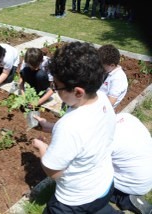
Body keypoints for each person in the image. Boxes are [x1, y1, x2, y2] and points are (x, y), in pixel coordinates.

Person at [32, 42, 121, 213]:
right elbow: (86, 133)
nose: (55, 90)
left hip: (75, 200)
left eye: (56, 86)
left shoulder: (69, 126)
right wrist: (49, 126)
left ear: (78, 92)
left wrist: (42, 148)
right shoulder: (102, 99)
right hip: (105, 185)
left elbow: (54, 172)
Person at [110, 113, 152, 214]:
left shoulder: (106, 139)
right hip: (147, 177)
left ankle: (124, 199)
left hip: (134, 184)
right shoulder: (125, 117)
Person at [98, 44, 128, 109]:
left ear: (112, 65)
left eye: (102, 65)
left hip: (102, 109)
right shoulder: (108, 71)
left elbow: (110, 102)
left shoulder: (118, 79)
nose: (99, 67)